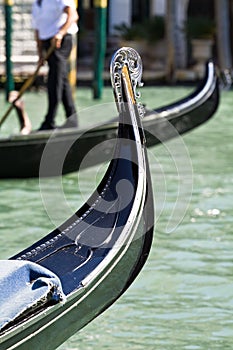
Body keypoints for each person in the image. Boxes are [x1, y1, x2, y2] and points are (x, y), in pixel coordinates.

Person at [32, 0, 79, 131]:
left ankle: (49, 120)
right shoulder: (37, 4)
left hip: (61, 41)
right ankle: (72, 119)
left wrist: (60, 33)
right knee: (61, 79)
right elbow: (37, 29)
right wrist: (40, 54)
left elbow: (73, 15)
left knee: (55, 79)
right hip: (48, 42)